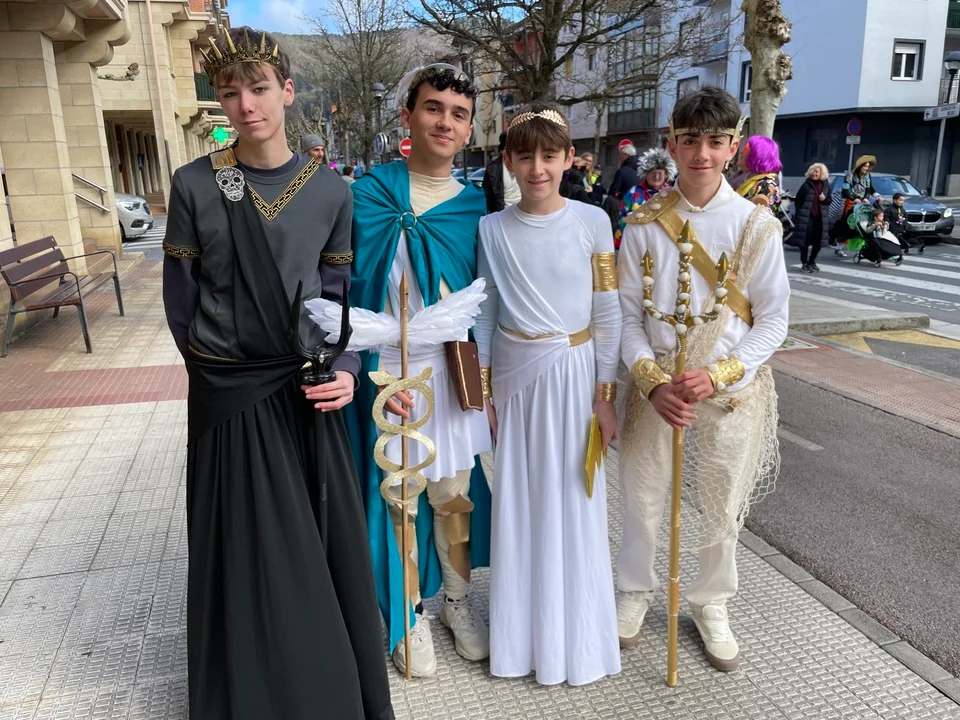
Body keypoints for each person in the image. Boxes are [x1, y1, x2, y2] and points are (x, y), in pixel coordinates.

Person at [162, 27, 393, 720]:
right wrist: (216, 375)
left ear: (287, 92)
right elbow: (182, 303)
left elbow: (338, 300)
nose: (246, 105)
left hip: (305, 391)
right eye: (230, 92)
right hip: (229, 394)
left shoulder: (331, 192)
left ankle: (321, 687)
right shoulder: (196, 184)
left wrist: (347, 367)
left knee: (311, 544)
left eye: (259, 89)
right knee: (242, 545)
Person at [616, 86, 788, 673]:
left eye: (716, 141)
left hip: (729, 392)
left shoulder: (757, 226)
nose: (702, 154)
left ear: (734, 147)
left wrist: (720, 374)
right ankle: (635, 589)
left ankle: (711, 602)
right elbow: (627, 318)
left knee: (721, 503)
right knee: (642, 495)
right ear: (672, 144)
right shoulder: (643, 223)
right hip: (657, 388)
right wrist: (651, 381)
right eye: (690, 140)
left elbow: (774, 320)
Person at [345, 63, 492, 679]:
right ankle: (406, 616)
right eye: (433, 108)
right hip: (388, 370)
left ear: (469, 129)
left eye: (459, 114)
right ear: (407, 116)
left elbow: (488, 302)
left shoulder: (477, 206)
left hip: (453, 368)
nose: (445, 122)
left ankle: (456, 602)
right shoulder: (368, 194)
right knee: (398, 495)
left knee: (453, 494)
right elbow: (346, 280)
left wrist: (488, 387)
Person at [474, 101, 622, 686]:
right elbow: (486, 315)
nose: (537, 168)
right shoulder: (491, 229)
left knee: (573, 499)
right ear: (508, 162)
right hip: (517, 378)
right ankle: (521, 644)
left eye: (549, 155)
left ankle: (577, 643)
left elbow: (607, 312)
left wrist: (605, 396)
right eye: (525, 156)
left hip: (576, 377)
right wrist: (484, 392)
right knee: (521, 501)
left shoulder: (593, 222)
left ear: (568, 159)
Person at [615, 148, 678, 248]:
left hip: (665, 245)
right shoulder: (632, 193)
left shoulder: (673, 193)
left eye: (660, 174)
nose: (656, 177)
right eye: (653, 173)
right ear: (646, 174)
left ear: (666, 175)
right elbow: (623, 220)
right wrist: (621, 243)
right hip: (637, 244)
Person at [830, 154, 880, 256]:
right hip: (850, 202)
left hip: (861, 204)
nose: (866, 168)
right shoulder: (850, 175)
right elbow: (845, 190)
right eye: (865, 166)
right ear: (860, 166)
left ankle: (858, 249)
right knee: (848, 224)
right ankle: (837, 243)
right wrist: (854, 198)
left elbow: (868, 189)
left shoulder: (867, 176)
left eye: (868, 166)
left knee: (860, 226)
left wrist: (866, 197)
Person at [793, 162, 833, 273]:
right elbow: (798, 200)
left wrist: (824, 199)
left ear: (822, 173)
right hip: (807, 218)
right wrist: (800, 213)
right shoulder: (806, 185)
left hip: (820, 218)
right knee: (804, 242)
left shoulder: (825, 185)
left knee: (818, 242)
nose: (814, 174)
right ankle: (804, 263)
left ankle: (812, 261)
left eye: (816, 172)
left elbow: (829, 200)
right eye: (813, 171)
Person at [731, 135, 782, 207]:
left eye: (747, 147)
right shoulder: (737, 178)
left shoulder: (766, 186)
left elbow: (763, 213)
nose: (741, 152)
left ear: (758, 154)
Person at [482, 131, 522, 213]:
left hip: (523, 212)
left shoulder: (524, 164)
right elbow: (486, 197)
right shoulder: (492, 169)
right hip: (502, 214)